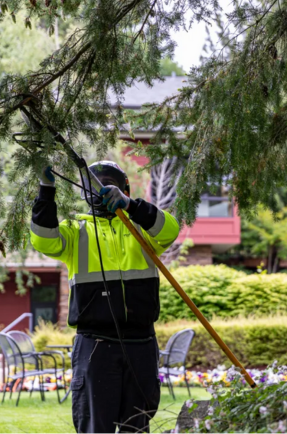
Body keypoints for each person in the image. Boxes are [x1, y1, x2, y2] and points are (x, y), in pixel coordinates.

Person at [29, 161, 180, 433]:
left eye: (111, 184)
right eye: (96, 185)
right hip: (95, 346)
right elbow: (43, 238)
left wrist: (131, 206)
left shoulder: (142, 229)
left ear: (125, 189)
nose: (102, 190)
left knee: (137, 425)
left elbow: (170, 230)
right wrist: (46, 189)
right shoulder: (75, 231)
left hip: (141, 342)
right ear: (85, 192)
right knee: (95, 426)